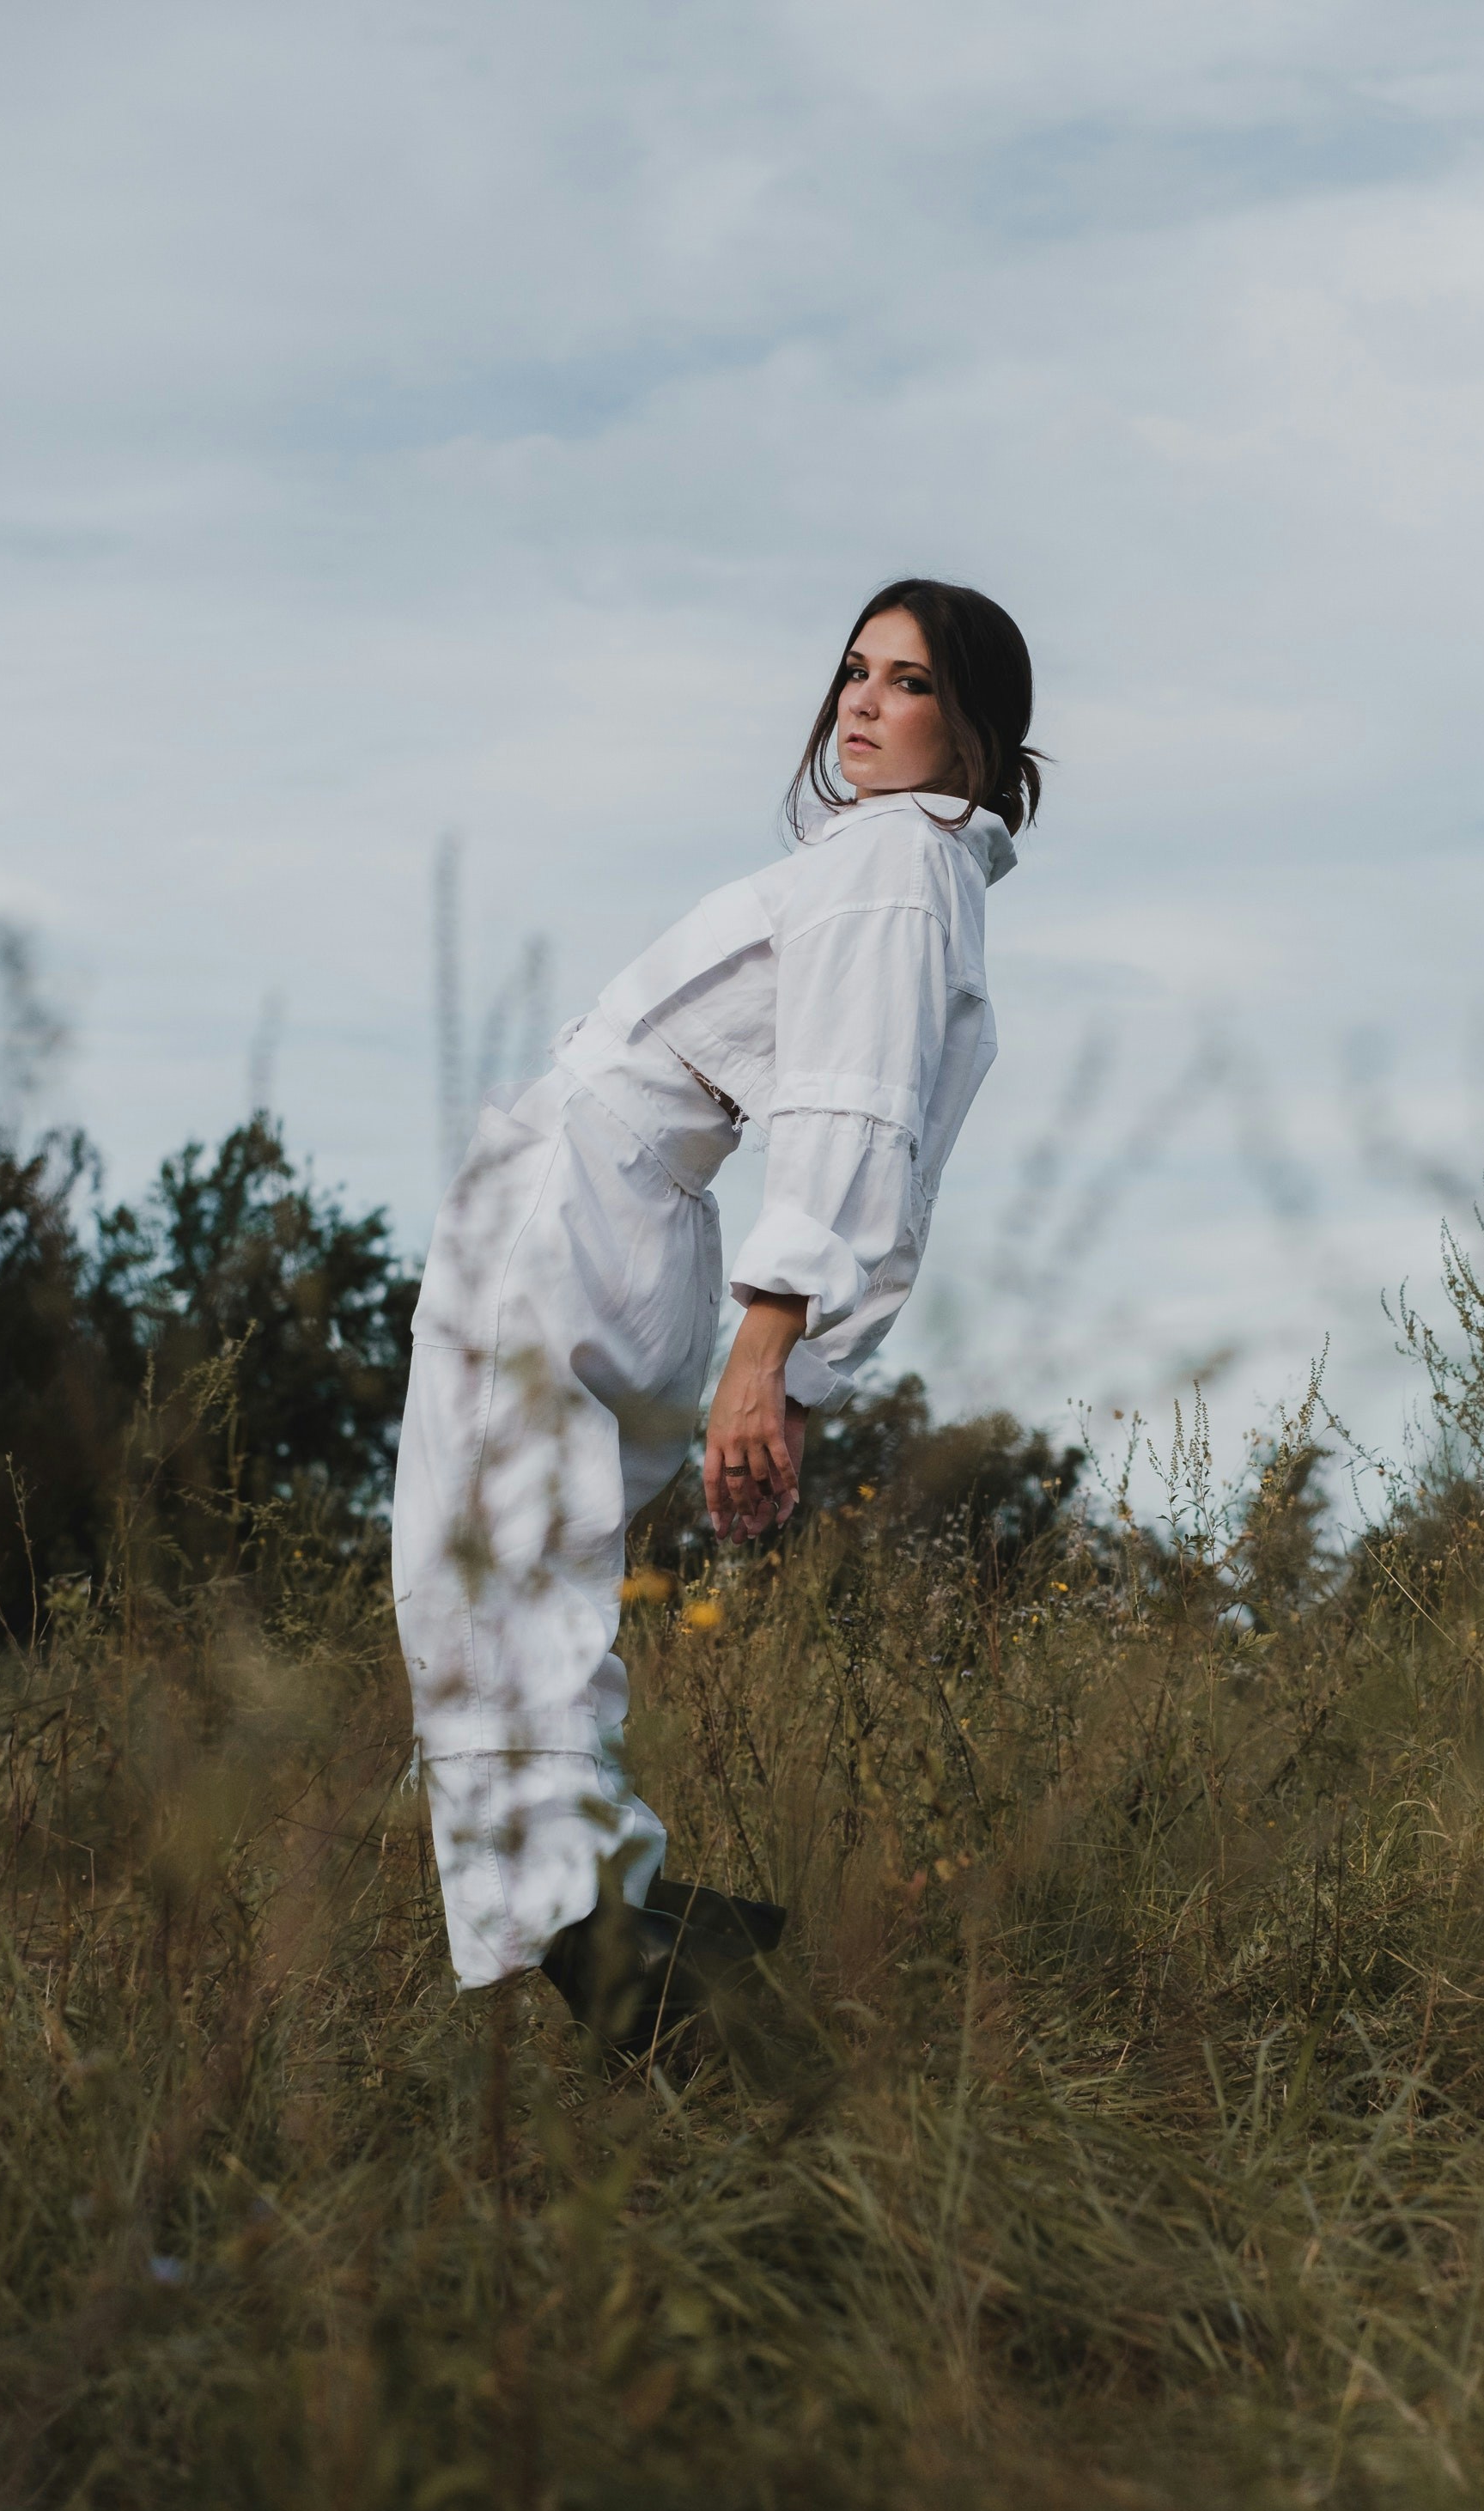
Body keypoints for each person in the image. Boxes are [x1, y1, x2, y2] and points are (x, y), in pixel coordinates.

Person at [392, 577, 1042, 2042]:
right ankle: (648, 1926)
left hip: (593, 1210)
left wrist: (775, 1354)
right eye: (854, 672)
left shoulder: (895, 858)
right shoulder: (907, 866)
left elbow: (855, 1116)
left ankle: (644, 1969)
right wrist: (793, 1371)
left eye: (911, 682)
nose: (864, 703)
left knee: (481, 1582)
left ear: (975, 728)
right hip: (622, 1215)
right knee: (518, 1580)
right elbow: (889, 1140)